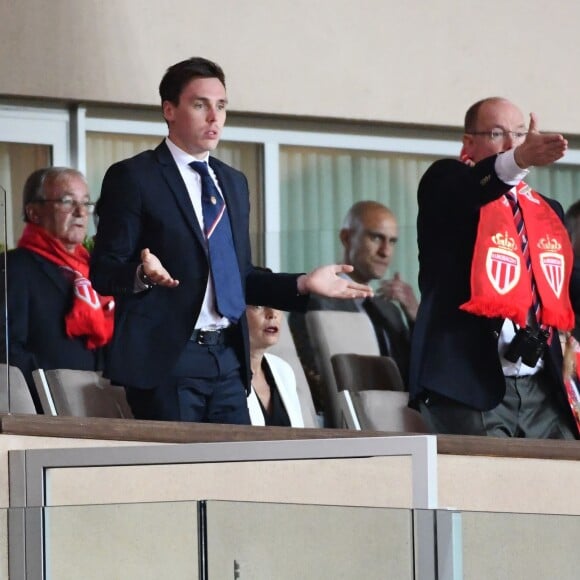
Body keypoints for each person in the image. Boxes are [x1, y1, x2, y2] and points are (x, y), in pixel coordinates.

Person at [90, 56, 370, 425]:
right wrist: (142, 275)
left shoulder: (232, 183)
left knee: (234, 474)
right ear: (169, 110)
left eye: (221, 106)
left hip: (228, 359)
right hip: (169, 360)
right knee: (182, 477)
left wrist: (302, 283)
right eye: (200, 104)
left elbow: (241, 278)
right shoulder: (135, 177)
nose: (214, 117)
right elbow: (104, 271)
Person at [410, 96, 580, 438]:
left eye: (519, 135)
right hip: (468, 386)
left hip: (541, 385)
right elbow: (473, 188)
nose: (511, 144)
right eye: (497, 133)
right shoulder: (446, 183)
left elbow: (565, 286)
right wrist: (517, 159)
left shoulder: (546, 209)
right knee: (482, 488)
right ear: (469, 142)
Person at [0, 167, 114, 411]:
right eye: (66, 201)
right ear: (34, 212)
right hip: (45, 404)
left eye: (85, 203)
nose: (80, 212)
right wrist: (45, 390)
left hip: (97, 399)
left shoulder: (95, 270)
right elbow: (7, 346)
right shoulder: (15, 268)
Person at [289, 200, 417, 412]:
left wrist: (414, 314)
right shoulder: (315, 301)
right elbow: (312, 378)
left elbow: (415, 372)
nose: (385, 252)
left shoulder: (391, 310)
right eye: (376, 237)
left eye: (392, 241)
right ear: (346, 238)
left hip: (398, 419)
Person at [246, 305, 304, 427]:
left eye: (276, 305)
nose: (272, 314)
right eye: (259, 306)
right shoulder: (221, 372)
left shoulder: (283, 369)